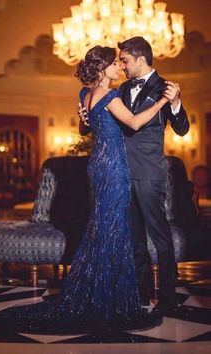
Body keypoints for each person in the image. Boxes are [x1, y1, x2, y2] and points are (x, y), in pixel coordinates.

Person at [0, 45, 169, 335]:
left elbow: (85, 129)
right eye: (114, 64)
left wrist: (85, 120)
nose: (119, 67)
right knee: (113, 229)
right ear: (103, 68)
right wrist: (161, 103)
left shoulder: (85, 94)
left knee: (102, 227)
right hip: (113, 168)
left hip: (96, 165)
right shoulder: (110, 95)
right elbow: (133, 122)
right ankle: (110, 297)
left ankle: (104, 289)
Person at [80, 37, 189, 317]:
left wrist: (175, 103)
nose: (122, 65)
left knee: (160, 237)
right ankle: (140, 293)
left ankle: (168, 297)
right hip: (119, 172)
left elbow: (182, 128)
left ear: (141, 59)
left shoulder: (166, 88)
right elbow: (105, 123)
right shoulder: (121, 89)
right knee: (135, 238)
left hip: (149, 173)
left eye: (125, 60)